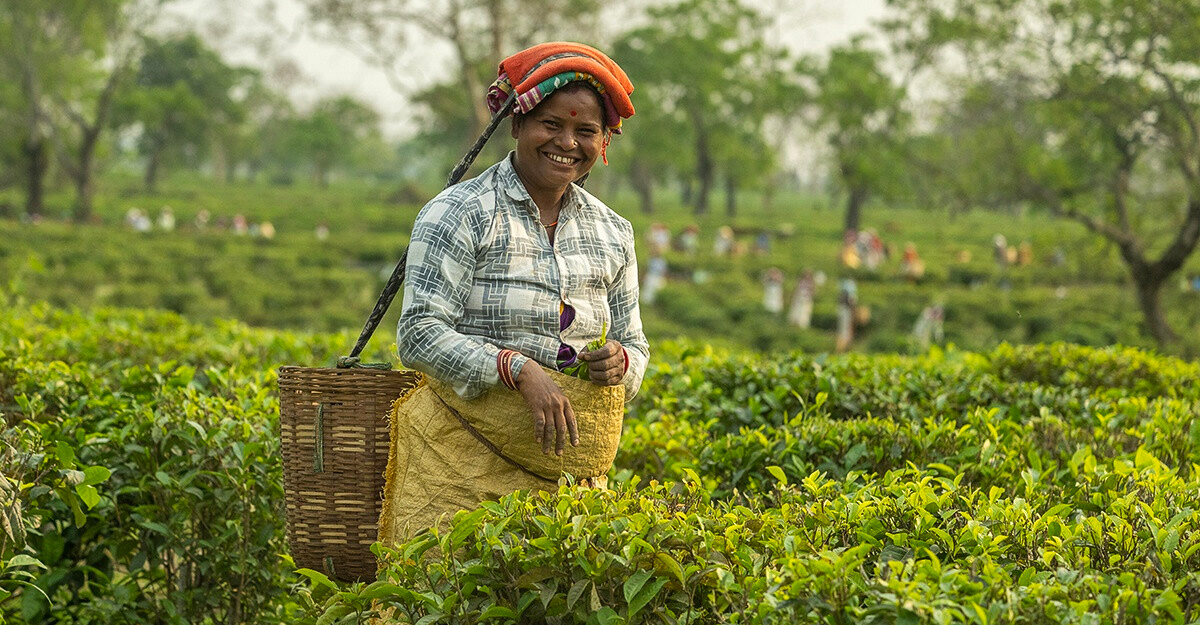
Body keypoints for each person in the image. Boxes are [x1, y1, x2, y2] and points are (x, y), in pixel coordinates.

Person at [396, 41, 648, 456]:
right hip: (460, 459)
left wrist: (622, 364)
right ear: (517, 126)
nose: (567, 143)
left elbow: (635, 344)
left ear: (603, 141)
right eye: (551, 124)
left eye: (585, 131)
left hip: (574, 477)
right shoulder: (459, 211)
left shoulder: (613, 231)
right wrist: (517, 369)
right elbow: (419, 333)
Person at [835, 278, 858, 353]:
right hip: (846, 312)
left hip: (843, 311)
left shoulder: (842, 293)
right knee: (845, 329)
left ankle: (842, 346)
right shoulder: (850, 293)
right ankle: (843, 347)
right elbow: (852, 303)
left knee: (843, 329)